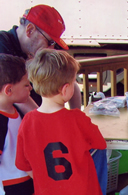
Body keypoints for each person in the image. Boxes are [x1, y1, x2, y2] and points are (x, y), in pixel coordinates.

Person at [15, 49, 107, 195]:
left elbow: (23, 164)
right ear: (65, 89)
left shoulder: (27, 122)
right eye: (73, 82)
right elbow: (100, 143)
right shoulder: (77, 118)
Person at [0, 4, 81, 112]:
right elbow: (15, 94)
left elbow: (70, 79)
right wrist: (45, 122)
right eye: (50, 42)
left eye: (55, 45)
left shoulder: (35, 52)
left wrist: (76, 115)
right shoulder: (3, 46)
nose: (51, 49)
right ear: (30, 30)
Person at [0, 54, 34, 194]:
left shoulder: (16, 111)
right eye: (26, 85)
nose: (30, 88)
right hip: (10, 186)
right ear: (9, 90)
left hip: (26, 181)